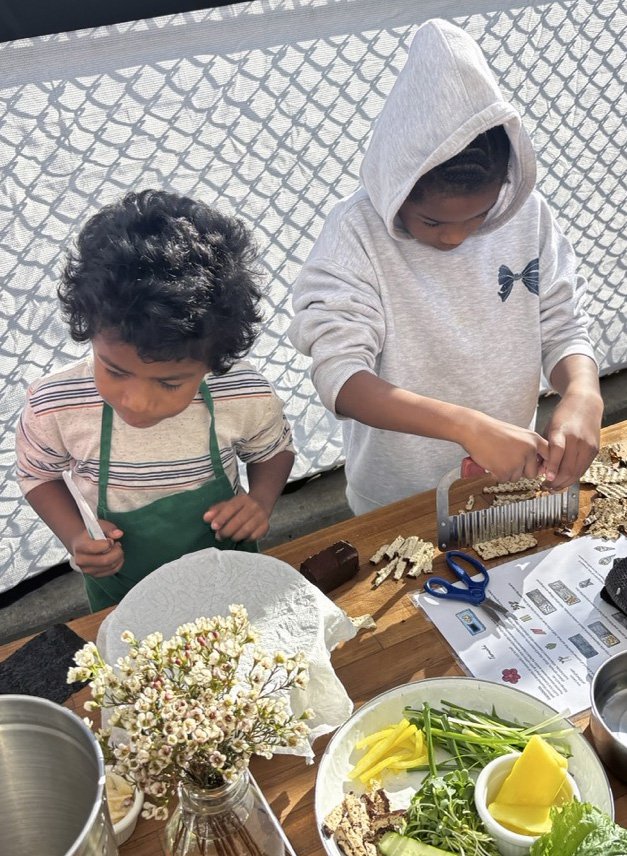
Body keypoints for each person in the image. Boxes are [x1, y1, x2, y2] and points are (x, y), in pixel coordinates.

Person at [288, 18, 602, 516]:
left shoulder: (529, 216)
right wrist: (467, 426)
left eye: (478, 217)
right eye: (431, 221)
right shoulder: (356, 233)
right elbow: (341, 378)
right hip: (396, 494)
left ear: (504, 186)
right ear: (396, 189)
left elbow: (562, 325)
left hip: (507, 480)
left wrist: (583, 393)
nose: (454, 237)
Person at [16, 189, 295, 609]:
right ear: (89, 330)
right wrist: (75, 535)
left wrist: (259, 502)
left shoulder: (242, 393)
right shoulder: (55, 404)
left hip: (230, 580)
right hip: (123, 594)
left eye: (169, 383)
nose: (138, 401)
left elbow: (273, 451)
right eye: (115, 370)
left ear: (213, 361)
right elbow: (38, 475)